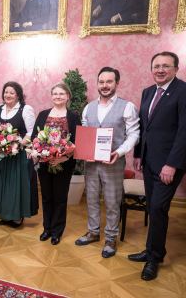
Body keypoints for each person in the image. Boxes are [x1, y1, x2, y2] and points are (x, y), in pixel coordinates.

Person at [128, 51, 186, 281]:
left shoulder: (183, 91)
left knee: (158, 208)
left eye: (165, 66)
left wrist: (172, 164)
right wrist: (139, 154)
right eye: (156, 66)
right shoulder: (148, 92)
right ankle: (153, 250)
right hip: (150, 161)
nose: (160, 70)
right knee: (153, 208)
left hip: (169, 164)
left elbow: (184, 132)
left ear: (175, 68)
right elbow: (144, 127)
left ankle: (154, 259)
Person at [75, 67, 140, 258]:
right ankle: (93, 232)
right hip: (91, 163)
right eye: (101, 82)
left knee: (112, 202)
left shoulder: (127, 106)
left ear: (117, 83)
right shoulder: (88, 107)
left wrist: (119, 152)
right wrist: (85, 150)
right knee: (92, 199)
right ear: (97, 84)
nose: (105, 85)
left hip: (113, 162)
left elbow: (134, 133)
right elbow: (86, 131)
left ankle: (111, 238)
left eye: (109, 82)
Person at [32, 83, 81, 245]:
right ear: (51, 96)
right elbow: (35, 137)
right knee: (46, 197)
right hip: (44, 163)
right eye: (55, 94)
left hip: (64, 164)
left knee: (60, 198)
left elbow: (77, 142)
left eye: (61, 94)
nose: (58, 96)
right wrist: (40, 153)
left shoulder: (73, 116)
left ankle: (57, 231)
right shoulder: (43, 114)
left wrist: (63, 158)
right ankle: (47, 228)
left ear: (68, 96)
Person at [0, 81, 38, 228]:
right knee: (4, 184)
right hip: (3, 155)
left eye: (12, 92)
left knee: (17, 186)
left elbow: (31, 132)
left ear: (18, 95)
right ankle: (5, 214)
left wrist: (17, 145)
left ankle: (17, 216)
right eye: (6, 92)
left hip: (19, 155)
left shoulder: (26, 109)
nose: (8, 95)